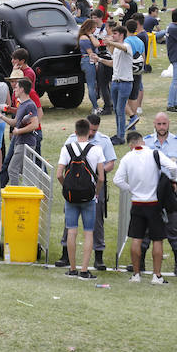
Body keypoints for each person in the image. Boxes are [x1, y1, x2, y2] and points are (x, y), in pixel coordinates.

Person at [114, 131, 177, 284]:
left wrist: (130, 189)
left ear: (130, 145)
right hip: (154, 203)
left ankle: (136, 274)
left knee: (136, 238)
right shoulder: (154, 153)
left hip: (137, 203)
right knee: (158, 239)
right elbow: (173, 167)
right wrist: (174, 180)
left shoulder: (127, 158)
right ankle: (157, 275)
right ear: (142, 141)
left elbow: (117, 180)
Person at [55, 113, 117, 270]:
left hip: (72, 191)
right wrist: (95, 190)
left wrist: (66, 187)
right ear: (88, 129)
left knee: (75, 228)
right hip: (91, 191)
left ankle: (78, 265)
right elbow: (101, 177)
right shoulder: (96, 149)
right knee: (88, 231)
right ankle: (82, 267)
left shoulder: (102, 141)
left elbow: (59, 174)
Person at [142, 112, 177, 277]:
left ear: (168, 124)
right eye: (159, 124)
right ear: (154, 124)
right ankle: (140, 262)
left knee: (173, 226)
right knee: (147, 226)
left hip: (170, 190)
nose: (162, 127)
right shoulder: (147, 142)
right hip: (151, 189)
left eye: (164, 124)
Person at [96, 24, 137, 145]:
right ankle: (119, 134)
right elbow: (113, 63)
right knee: (117, 109)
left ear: (121, 35)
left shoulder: (126, 45)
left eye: (115, 34)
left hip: (125, 83)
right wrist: (99, 59)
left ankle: (121, 136)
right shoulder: (117, 49)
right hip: (115, 82)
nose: (112, 35)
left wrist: (110, 42)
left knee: (120, 109)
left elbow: (123, 48)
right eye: (112, 33)